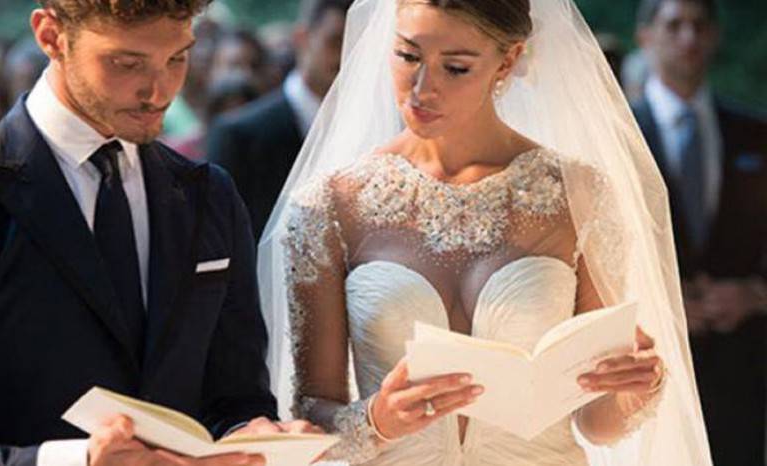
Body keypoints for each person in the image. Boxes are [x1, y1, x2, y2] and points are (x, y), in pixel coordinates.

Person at [258, 0, 714, 465]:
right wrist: (378, 420)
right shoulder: (329, 205)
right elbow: (311, 416)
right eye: (408, 56)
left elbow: (596, 423)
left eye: (455, 67)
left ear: (509, 60)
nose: (422, 88)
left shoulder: (578, 195)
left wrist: (634, 389)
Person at [0, 1, 319, 465]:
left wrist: (254, 435)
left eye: (177, 58)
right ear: (51, 36)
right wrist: (77, 461)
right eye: (127, 63)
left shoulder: (210, 195)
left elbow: (235, 399)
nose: (159, 90)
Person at [631, 0, 767, 464]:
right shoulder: (618, 134)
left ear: (715, 36)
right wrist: (659, 306)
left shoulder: (756, 133)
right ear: (645, 37)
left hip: (742, 369)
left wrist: (755, 293)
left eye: (699, 25)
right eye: (674, 25)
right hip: (650, 366)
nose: (688, 37)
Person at [207, 0, 353, 239]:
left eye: (357, 43)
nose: (346, 55)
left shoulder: (377, 129)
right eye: (335, 41)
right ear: (302, 38)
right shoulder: (240, 135)